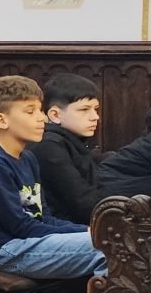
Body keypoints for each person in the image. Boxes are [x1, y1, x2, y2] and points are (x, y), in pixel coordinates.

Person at [0, 76, 106, 290]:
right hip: (0, 250)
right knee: (108, 247)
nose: (41, 118)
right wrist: (90, 234)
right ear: (2, 120)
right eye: (30, 112)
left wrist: (89, 229)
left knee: (110, 240)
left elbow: (43, 216)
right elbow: (20, 226)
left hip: (25, 241)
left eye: (40, 110)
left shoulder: (28, 158)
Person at [36, 74, 104, 224]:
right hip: (61, 228)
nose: (95, 117)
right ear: (55, 115)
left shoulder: (72, 142)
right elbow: (83, 204)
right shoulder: (48, 146)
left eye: (96, 109)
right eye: (84, 110)